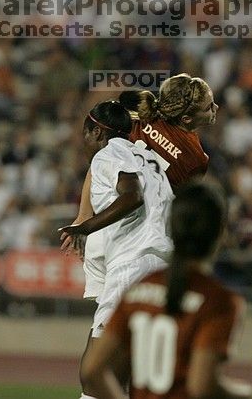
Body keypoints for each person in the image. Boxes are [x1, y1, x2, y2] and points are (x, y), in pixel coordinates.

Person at [80, 180, 252, 399]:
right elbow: (202, 385)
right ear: (219, 232)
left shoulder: (139, 289)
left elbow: (92, 368)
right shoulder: (219, 301)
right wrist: (242, 393)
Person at [64, 73, 218, 302]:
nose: (216, 107)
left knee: (105, 323)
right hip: (137, 241)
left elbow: (102, 163)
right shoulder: (196, 159)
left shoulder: (140, 117)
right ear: (186, 118)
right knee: (128, 323)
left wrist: (83, 217)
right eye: (208, 106)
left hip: (103, 228)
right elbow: (169, 206)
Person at [59, 100, 174, 399]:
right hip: (159, 267)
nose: (84, 141)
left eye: (86, 133)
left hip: (132, 266)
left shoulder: (108, 154)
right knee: (122, 376)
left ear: (96, 132)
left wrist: (87, 226)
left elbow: (131, 196)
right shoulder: (149, 158)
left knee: (95, 372)